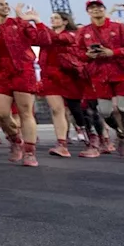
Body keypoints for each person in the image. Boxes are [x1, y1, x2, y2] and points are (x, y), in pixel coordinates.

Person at [0, 0, 48, 166]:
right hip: (0, 75)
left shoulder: (19, 23)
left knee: (25, 112)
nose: (5, 6)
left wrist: (37, 21)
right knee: (1, 114)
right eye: (0, 4)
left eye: (6, 4)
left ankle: (30, 152)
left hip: (23, 71)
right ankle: (16, 140)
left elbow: (44, 41)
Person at [78, 0, 124, 163]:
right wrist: (88, 55)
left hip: (121, 73)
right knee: (105, 112)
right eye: (91, 8)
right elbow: (78, 53)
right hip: (99, 75)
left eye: (98, 7)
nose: (95, 10)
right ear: (88, 12)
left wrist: (113, 52)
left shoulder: (119, 27)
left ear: (104, 9)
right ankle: (120, 133)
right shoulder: (84, 32)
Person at [37, 11, 88, 158]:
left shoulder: (72, 34)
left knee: (76, 111)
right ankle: (62, 144)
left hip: (70, 77)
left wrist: (37, 21)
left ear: (65, 21)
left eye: (56, 18)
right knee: (56, 110)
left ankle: (89, 139)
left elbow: (58, 38)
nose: (53, 20)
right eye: (51, 18)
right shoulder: (47, 35)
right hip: (51, 77)